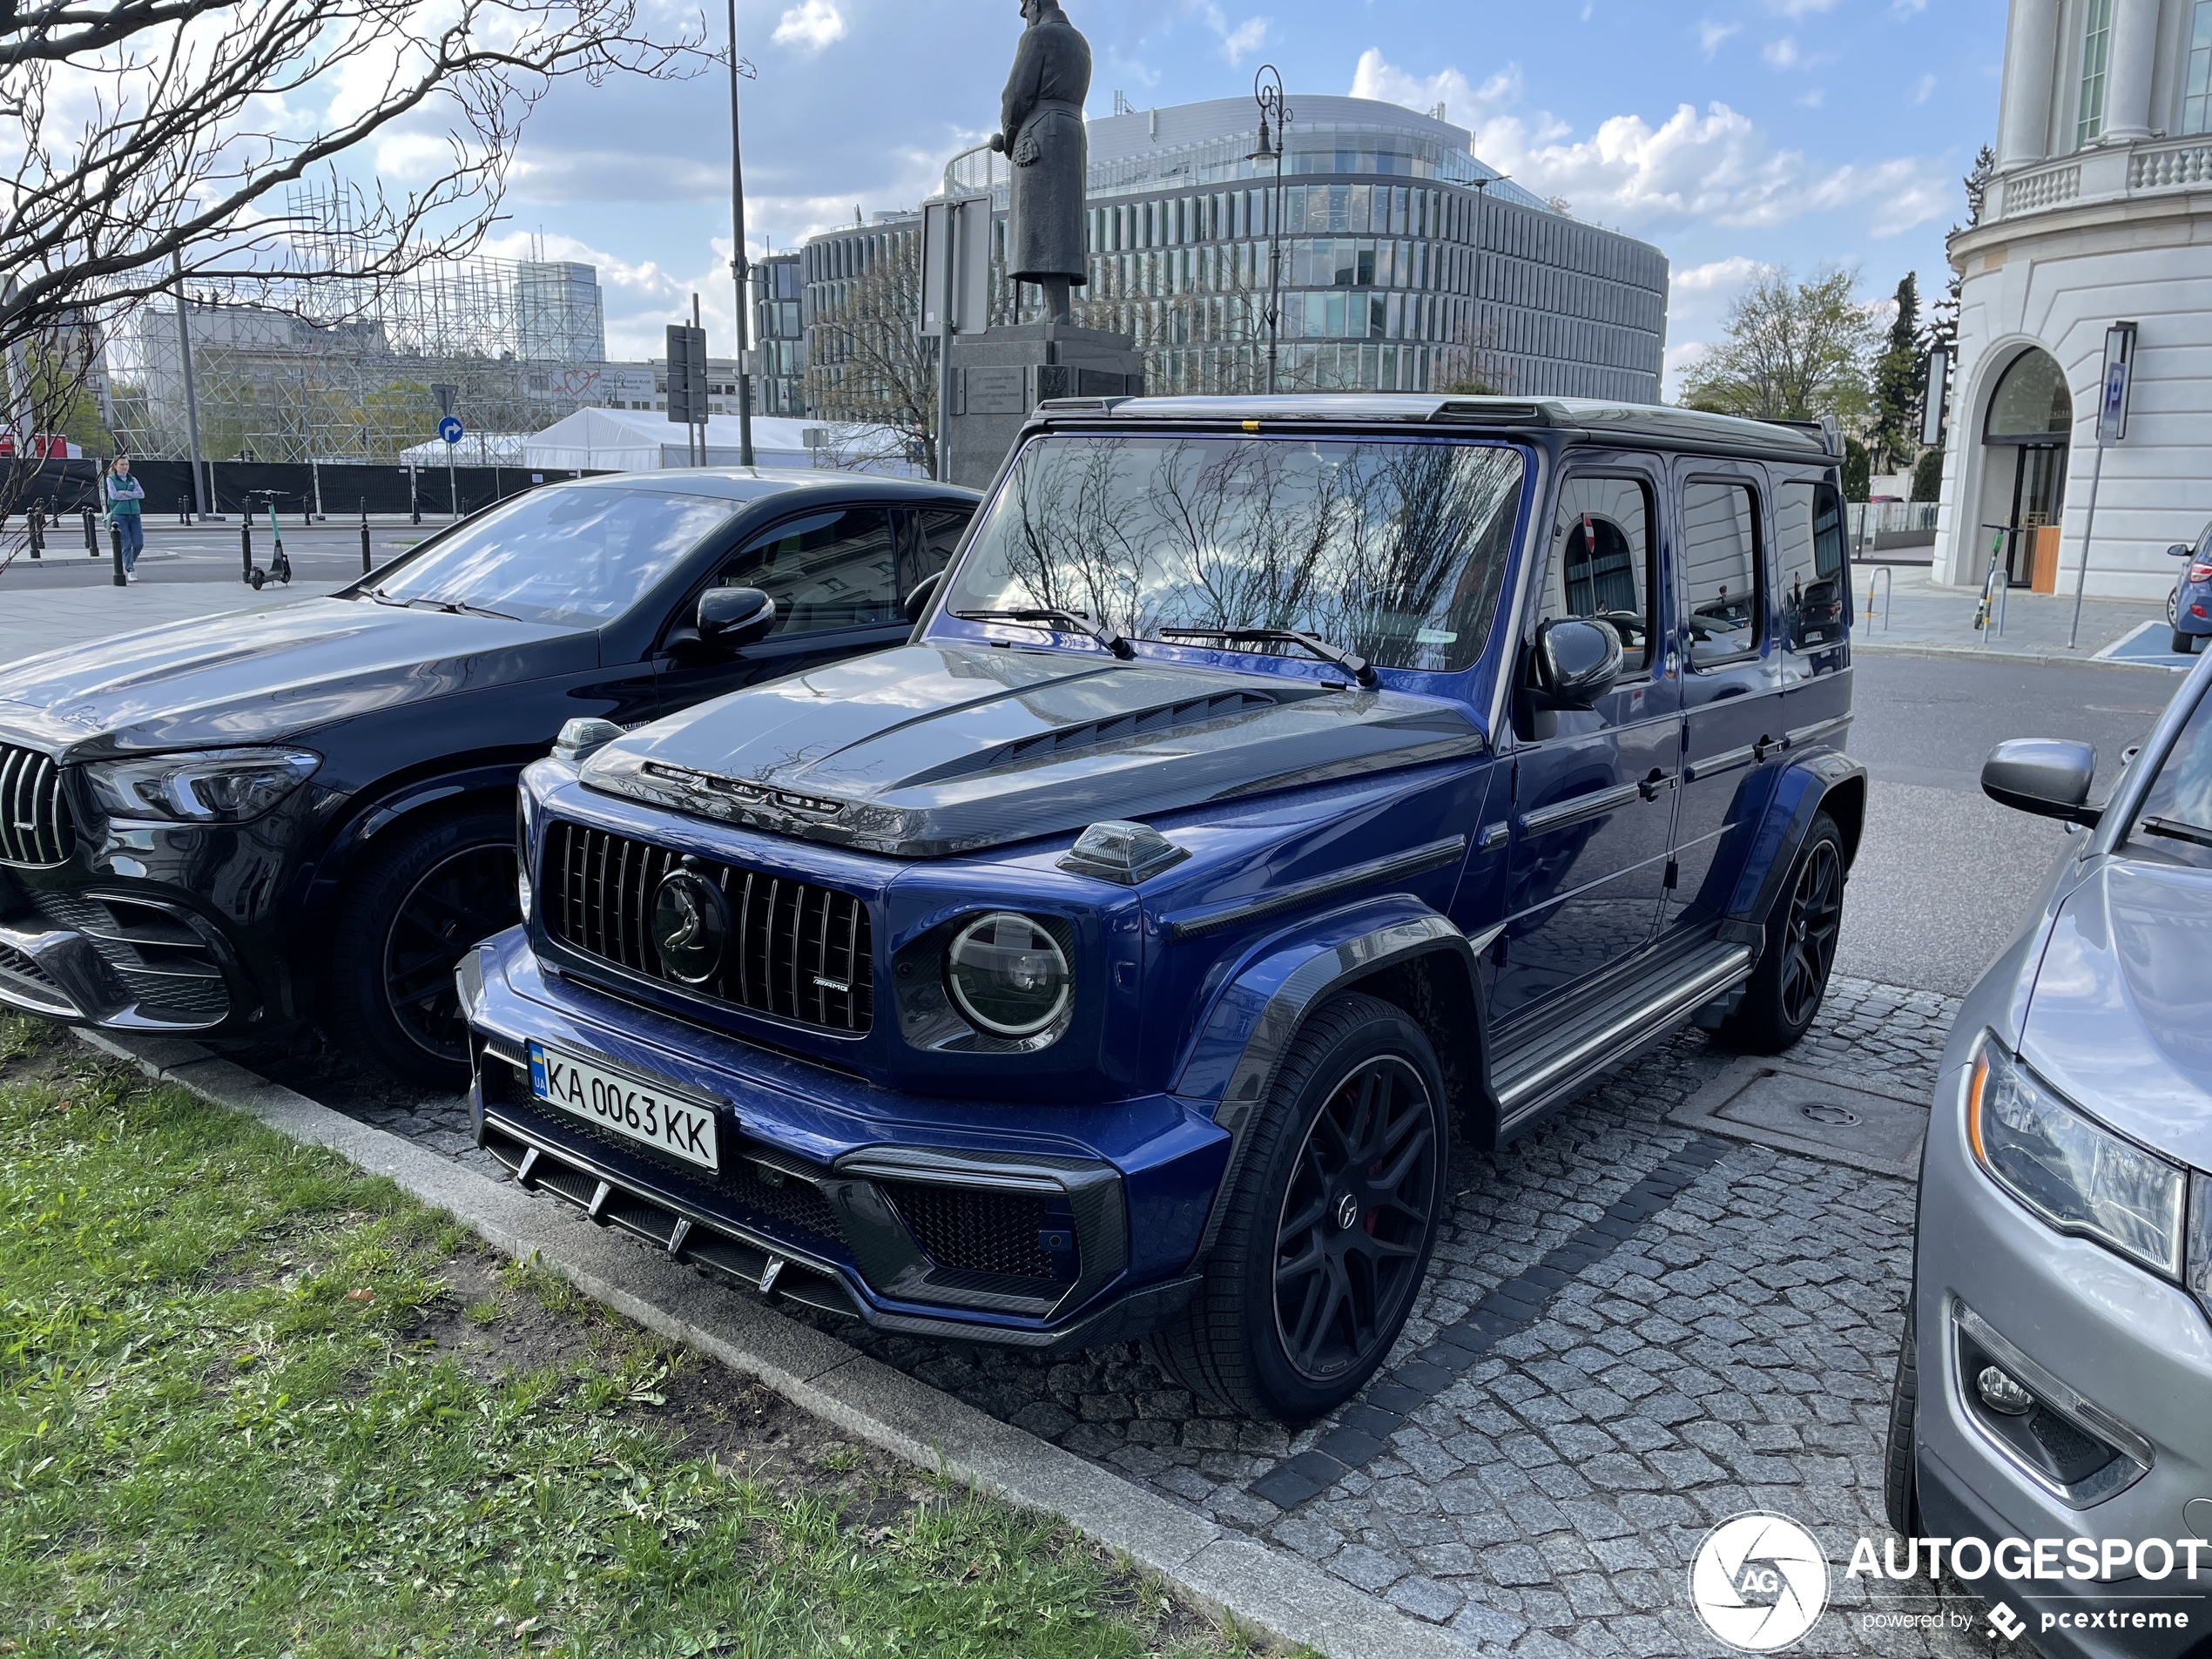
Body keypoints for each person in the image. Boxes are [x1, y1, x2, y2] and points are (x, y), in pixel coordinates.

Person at [990, 0, 1090, 324]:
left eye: (1023, 4)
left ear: (1034, 2)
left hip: (1040, 133)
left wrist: (1008, 136)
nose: (1023, 13)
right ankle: (1056, 308)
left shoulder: (1035, 37)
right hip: (1071, 132)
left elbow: (1016, 94)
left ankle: (1056, 310)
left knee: (1043, 223)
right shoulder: (1080, 42)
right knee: (1062, 223)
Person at [105, 454, 145, 581]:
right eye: (122, 464)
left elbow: (141, 494)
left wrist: (125, 493)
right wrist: (132, 494)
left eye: (126, 464)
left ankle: (129, 561)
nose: (124, 467)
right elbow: (114, 496)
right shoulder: (111, 479)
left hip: (134, 514)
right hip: (119, 515)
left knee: (139, 543)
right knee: (126, 544)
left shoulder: (132, 479)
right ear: (115, 466)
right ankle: (130, 569)